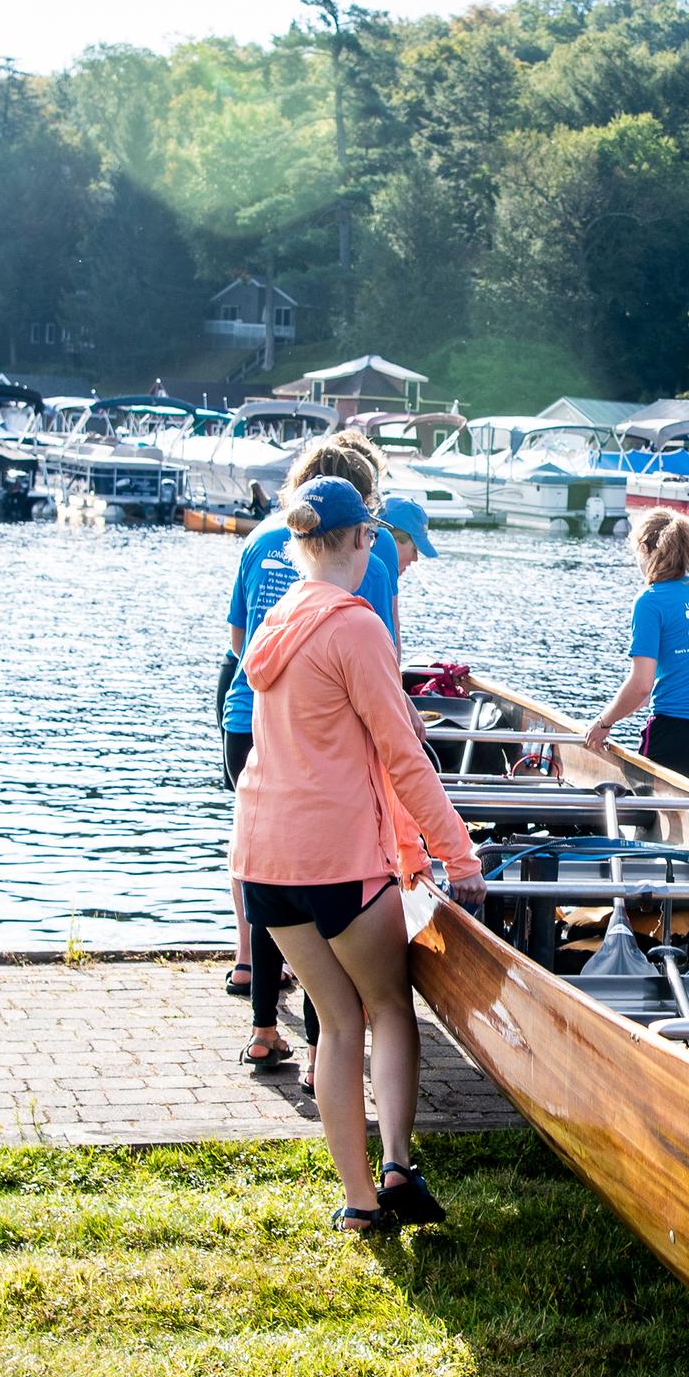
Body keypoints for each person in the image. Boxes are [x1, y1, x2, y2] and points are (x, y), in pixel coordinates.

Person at [231, 475, 485, 1236]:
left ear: (298, 542)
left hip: (266, 861)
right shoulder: (358, 626)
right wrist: (457, 855)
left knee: (335, 1024)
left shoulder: (278, 618)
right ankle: (400, 1163)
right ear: (364, 540)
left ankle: (357, 1202)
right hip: (337, 855)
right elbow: (403, 756)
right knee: (385, 1004)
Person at [222, 432, 400, 1074]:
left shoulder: (258, 540)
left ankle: (263, 1021)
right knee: (320, 871)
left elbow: (238, 643)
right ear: (360, 513)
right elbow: (382, 657)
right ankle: (332, 1040)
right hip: (325, 727)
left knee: (271, 863)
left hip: (248, 714)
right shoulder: (370, 563)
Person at [583, 506, 689, 786]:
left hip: (681, 733)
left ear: (646, 550)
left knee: (642, 806)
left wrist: (603, 723)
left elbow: (642, 686)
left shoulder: (650, 600)